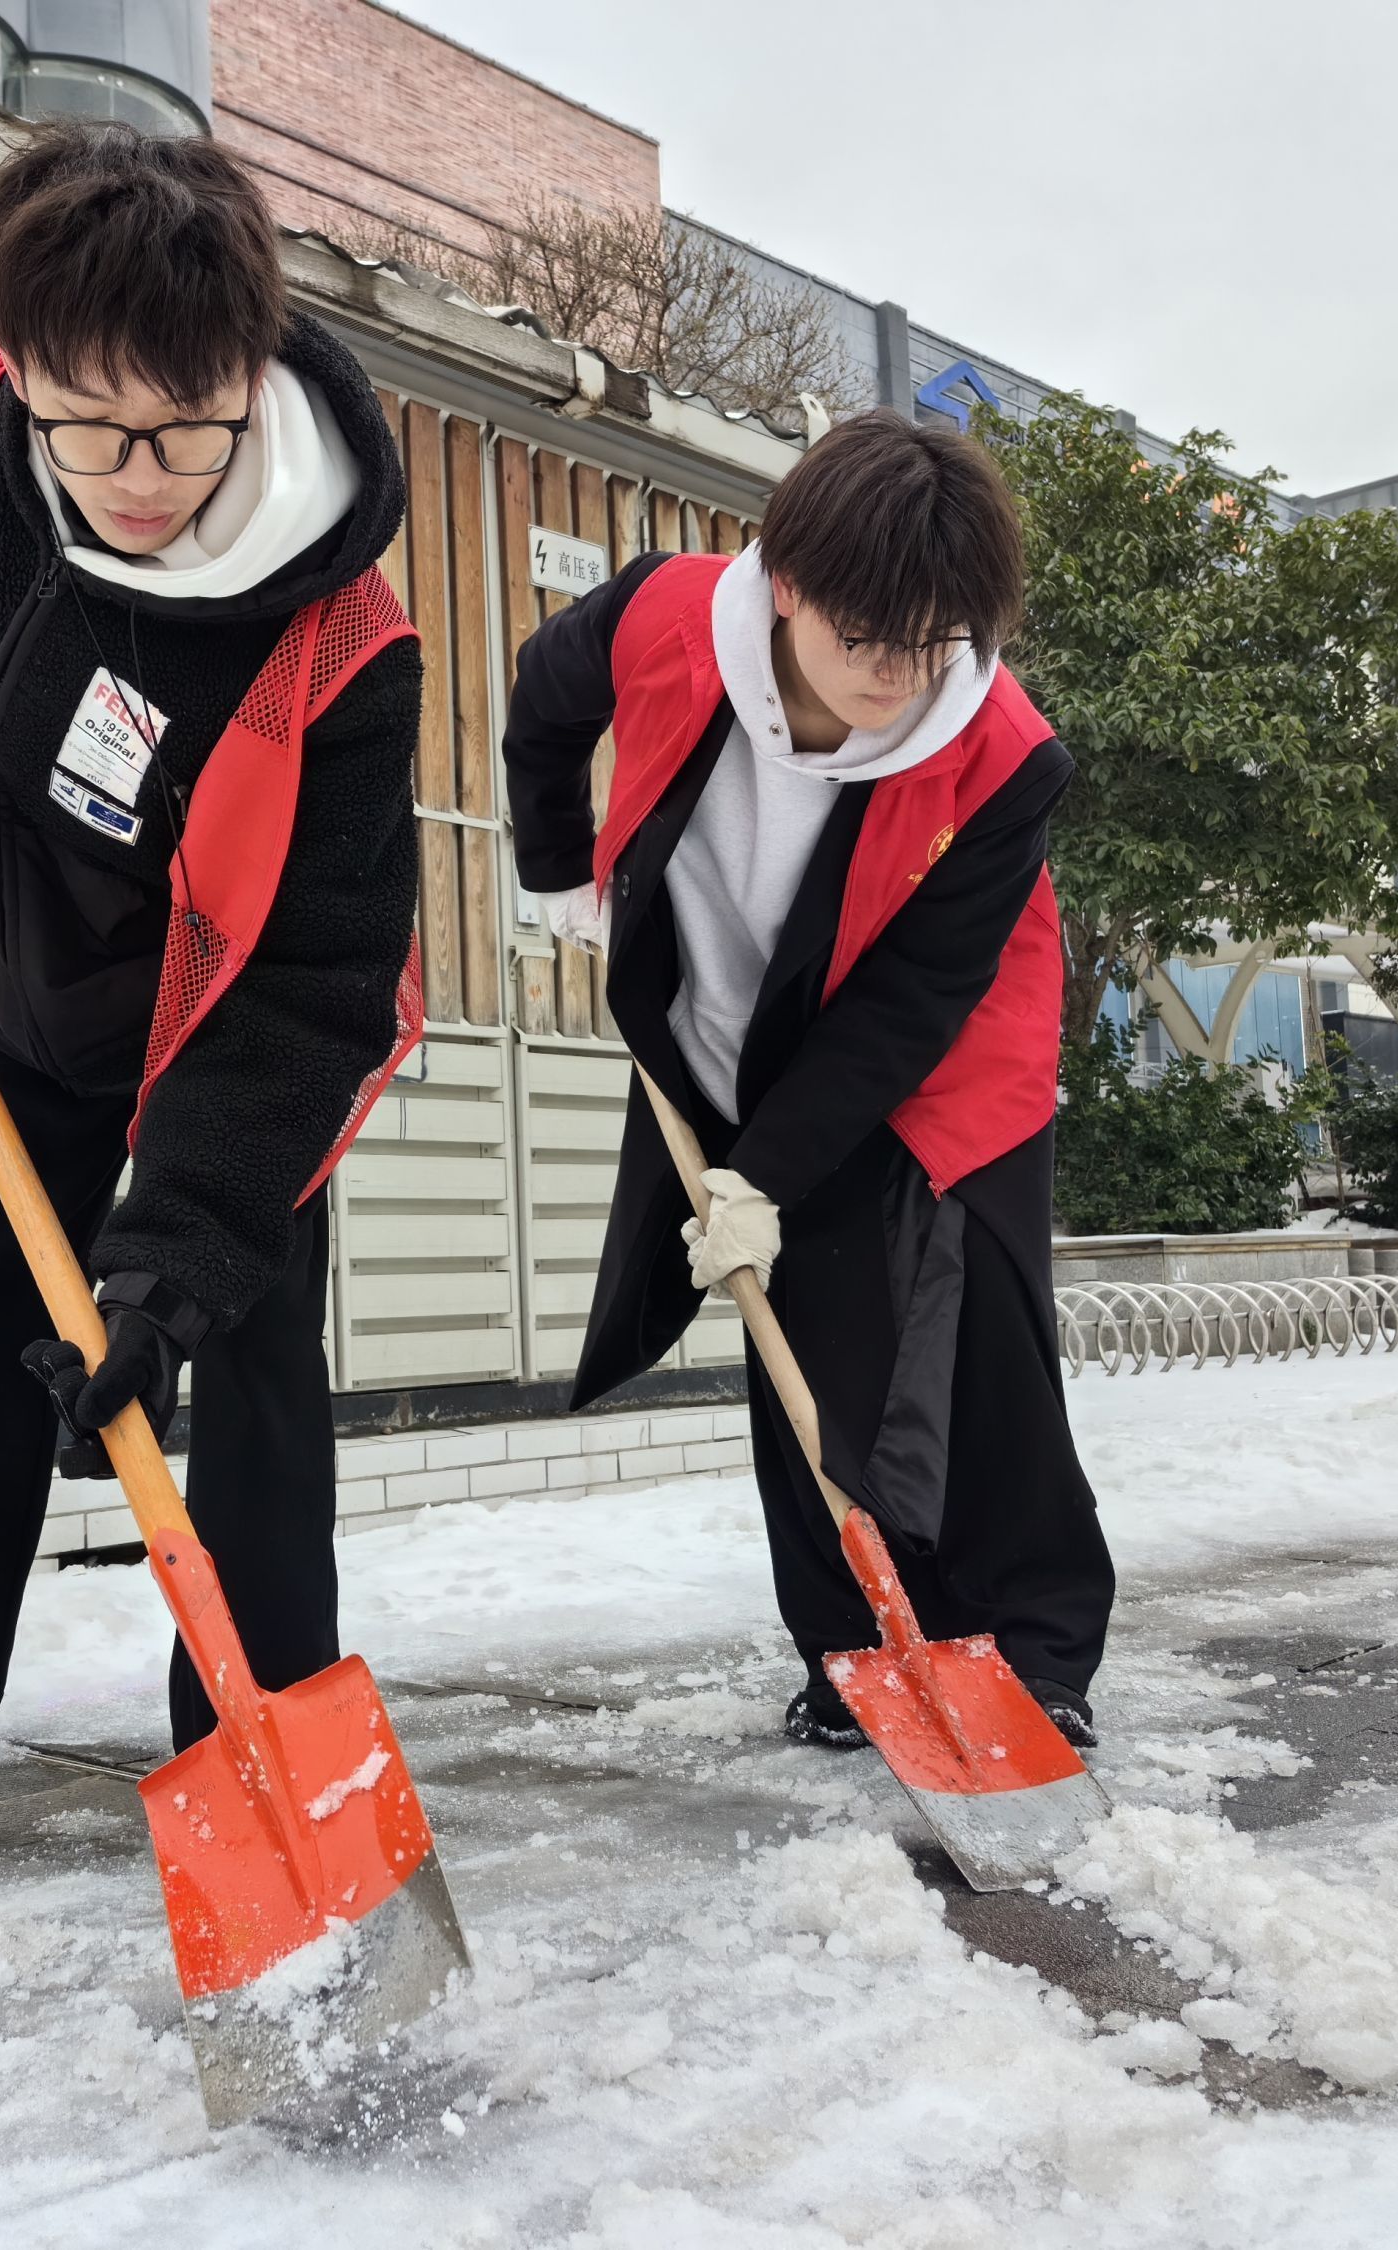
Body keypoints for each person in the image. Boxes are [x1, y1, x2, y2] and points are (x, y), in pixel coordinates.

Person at [0, 122, 421, 1859]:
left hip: (236, 1032)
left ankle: (263, 1729)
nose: (136, 472)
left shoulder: (340, 640)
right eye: (88, 421)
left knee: (250, 1362)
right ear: (24, 370)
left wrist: (172, 1258)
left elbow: (324, 977)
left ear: (250, 369)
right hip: (34, 986)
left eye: (184, 426)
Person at [501, 412, 1114, 1750]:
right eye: (869, 636)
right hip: (737, 1025)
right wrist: (553, 868)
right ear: (786, 583)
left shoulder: (1003, 755)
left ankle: (1034, 1648)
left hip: (947, 1061)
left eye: (934, 642)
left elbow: (912, 1006)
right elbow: (544, 700)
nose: (899, 675)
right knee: (799, 1343)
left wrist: (765, 1174)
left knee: (968, 1342)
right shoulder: (667, 618)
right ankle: (852, 1649)